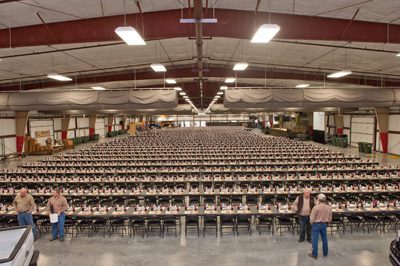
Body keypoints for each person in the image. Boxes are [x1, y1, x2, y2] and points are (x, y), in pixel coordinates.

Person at [309, 193, 332, 259]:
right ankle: (325, 253)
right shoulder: (329, 207)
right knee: (324, 239)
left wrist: (312, 223)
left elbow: (312, 218)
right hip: (324, 224)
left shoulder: (316, 207)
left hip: (316, 224)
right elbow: (330, 218)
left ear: (318, 199)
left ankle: (314, 254)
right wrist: (327, 222)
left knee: (315, 240)